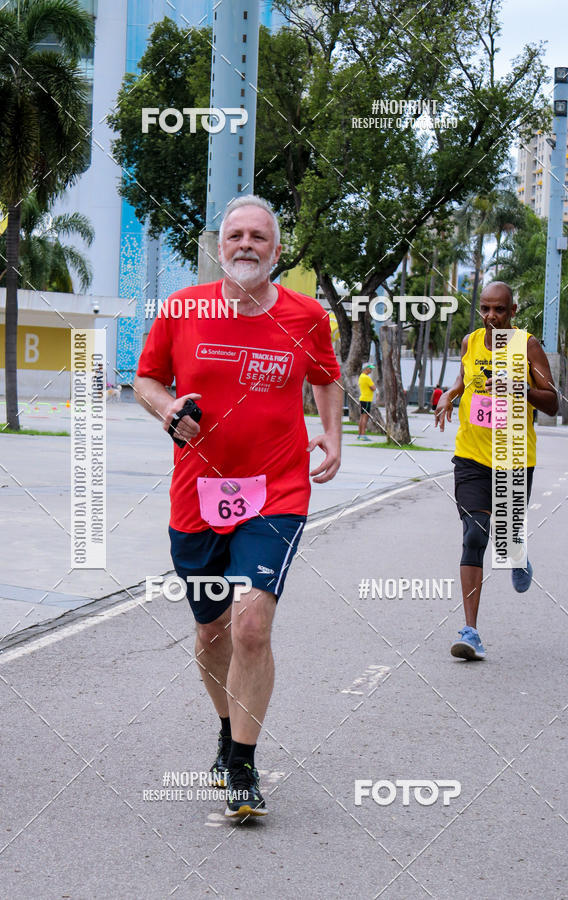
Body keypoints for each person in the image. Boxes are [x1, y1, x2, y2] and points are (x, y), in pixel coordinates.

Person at [134, 195, 342, 816]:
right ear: (220, 248)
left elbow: (326, 376)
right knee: (211, 629)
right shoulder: (182, 310)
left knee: (252, 624)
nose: (246, 244)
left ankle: (244, 764)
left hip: (277, 490)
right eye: (235, 236)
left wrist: (331, 433)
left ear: (276, 251)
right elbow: (148, 379)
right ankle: (229, 730)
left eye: (258, 236)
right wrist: (167, 409)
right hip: (196, 494)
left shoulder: (306, 317)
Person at [434, 282, 558, 660]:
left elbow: (553, 402)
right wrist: (451, 395)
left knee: (503, 538)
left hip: (514, 456)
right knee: (475, 535)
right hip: (470, 456)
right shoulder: (471, 342)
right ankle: (471, 631)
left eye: (499, 310)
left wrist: (518, 386)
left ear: (513, 311)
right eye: (485, 309)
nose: (491, 317)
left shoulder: (527, 346)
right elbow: (464, 377)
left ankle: (516, 554)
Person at [358, 364, 376, 440]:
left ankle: (360, 434)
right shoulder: (366, 378)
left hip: (362, 399)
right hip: (367, 399)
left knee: (362, 417)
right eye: (370, 369)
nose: (371, 370)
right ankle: (363, 435)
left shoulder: (361, 376)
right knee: (365, 417)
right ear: (366, 369)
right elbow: (373, 388)